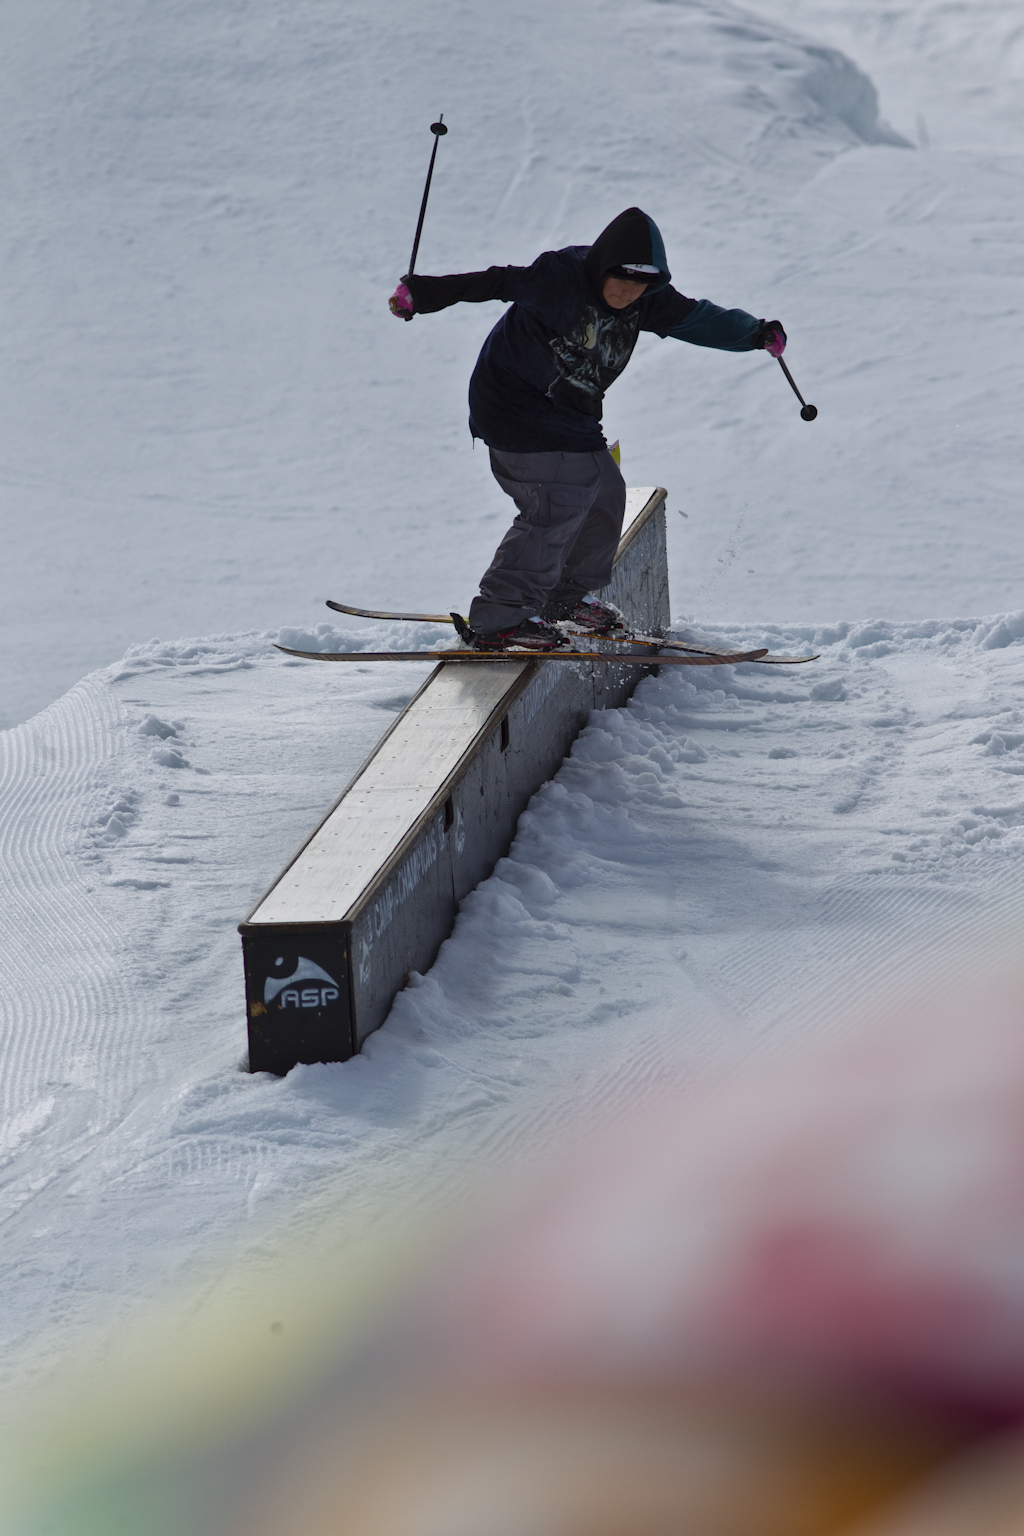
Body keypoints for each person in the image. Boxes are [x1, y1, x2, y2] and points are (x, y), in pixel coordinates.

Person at [389, 206, 786, 651]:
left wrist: (755, 333)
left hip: (569, 414)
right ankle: (500, 617)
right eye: (621, 279)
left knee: (604, 493)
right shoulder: (560, 278)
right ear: (602, 268)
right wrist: (420, 296)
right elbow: (495, 281)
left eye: (641, 284)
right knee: (558, 502)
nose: (628, 291)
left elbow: (698, 318)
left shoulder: (647, 298)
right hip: (511, 404)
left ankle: (561, 599)